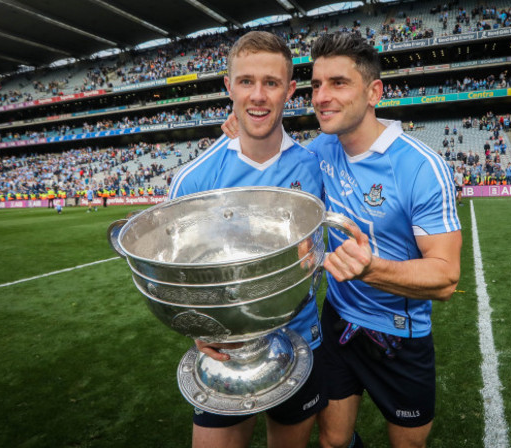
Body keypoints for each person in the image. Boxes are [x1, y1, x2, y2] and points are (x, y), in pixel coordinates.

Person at [168, 31, 326, 448]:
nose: (258, 95)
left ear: (290, 90)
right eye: (246, 81)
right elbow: (178, 275)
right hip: (225, 350)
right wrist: (195, 331)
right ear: (228, 86)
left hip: (301, 340)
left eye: (271, 83)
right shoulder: (193, 181)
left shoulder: (315, 168)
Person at [308, 33, 462, 448]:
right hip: (337, 319)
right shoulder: (321, 147)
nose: (321, 96)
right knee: (332, 442)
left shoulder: (421, 167)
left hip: (399, 335)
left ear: (374, 91)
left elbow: (446, 278)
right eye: (316, 85)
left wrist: (371, 269)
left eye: (338, 83)